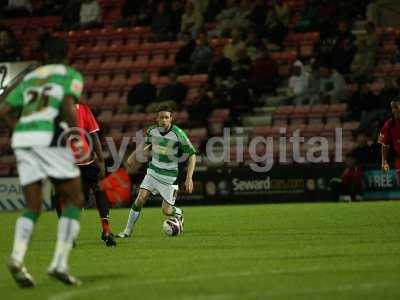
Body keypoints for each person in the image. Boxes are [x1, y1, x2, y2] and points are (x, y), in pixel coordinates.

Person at [0, 36, 84, 287]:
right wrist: (76, 136)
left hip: (24, 138)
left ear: (45, 55)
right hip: (49, 137)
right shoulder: (70, 74)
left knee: (33, 205)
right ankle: (59, 263)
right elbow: (68, 105)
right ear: (68, 54)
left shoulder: (31, 77)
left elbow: (3, 110)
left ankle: (16, 257)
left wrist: (16, 130)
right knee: (74, 199)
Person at [117, 105, 197, 238]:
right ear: (157, 119)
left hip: (169, 177)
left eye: (167, 117)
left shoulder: (178, 134)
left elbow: (192, 155)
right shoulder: (152, 131)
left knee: (166, 211)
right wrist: (132, 156)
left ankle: (178, 212)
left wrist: (189, 178)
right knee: (140, 199)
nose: (164, 120)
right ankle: (127, 231)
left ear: (171, 119)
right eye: (161, 117)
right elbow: (145, 145)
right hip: (153, 173)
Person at [54, 102, 117, 247]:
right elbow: (94, 135)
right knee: (98, 189)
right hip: (84, 158)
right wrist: (100, 160)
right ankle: (106, 230)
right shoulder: (83, 108)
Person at [379, 100, 400, 173]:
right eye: (392, 108)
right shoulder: (389, 124)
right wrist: (383, 162)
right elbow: (385, 145)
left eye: (396, 108)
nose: (393, 111)